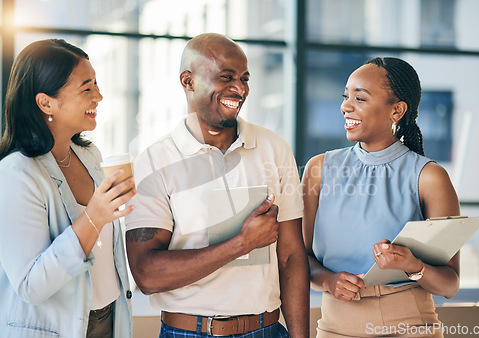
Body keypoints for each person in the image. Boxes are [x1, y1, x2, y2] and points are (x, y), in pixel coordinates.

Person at [125, 33, 309, 337]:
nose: (239, 89)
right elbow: (147, 274)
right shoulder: (155, 161)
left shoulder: (274, 148)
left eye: (245, 79)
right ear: (188, 81)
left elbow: (291, 256)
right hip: (187, 333)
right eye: (227, 77)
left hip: (265, 330)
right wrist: (242, 243)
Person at [302, 57, 460, 337]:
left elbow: (450, 284)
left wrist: (412, 265)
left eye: (360, 98)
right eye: (346, 96)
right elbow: (300, 257)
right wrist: (327, 280)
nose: (345, 106)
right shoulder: (319, 170)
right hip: (336, 327)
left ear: (397, 110)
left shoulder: (429, 177)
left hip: (411, 326)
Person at [0, 39, 136, 338]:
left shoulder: (91, 156)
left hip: (109, 320)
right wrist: (95, 217)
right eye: (86, 88)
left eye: (97, 84)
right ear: (46, 102)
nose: (98, 96)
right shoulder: (16, 174)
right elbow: (31, 286)